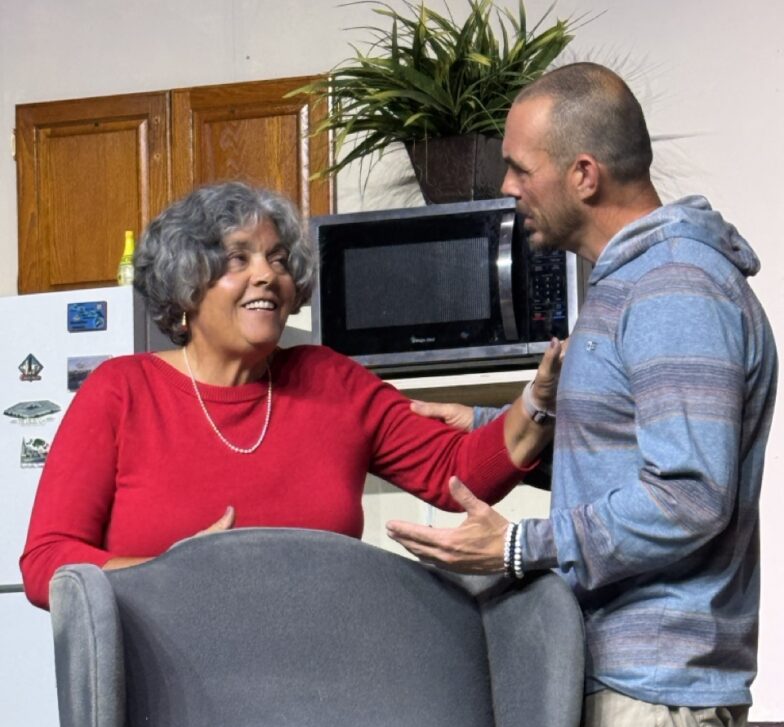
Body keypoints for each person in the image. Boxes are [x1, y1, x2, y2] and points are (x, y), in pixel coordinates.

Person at [387, 63, 777, 727]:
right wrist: (508, 411)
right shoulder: (628, 285)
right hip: (619, 682)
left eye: (521, 170)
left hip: (658, 691)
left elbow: (689, 498)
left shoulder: (678, 288)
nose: (508, 189)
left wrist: (521, 545)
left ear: (586, 174)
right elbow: (630, 448)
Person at [20, 181, 561, 611]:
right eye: (238, 259)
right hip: (166, 691)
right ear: (187, 284)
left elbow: (458, 470)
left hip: (321, 686)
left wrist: (538, 401)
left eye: (278, 259)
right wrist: (169, 574)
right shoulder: (121, 391)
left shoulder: (328, 380)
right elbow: (48, 564)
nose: (267, 275)